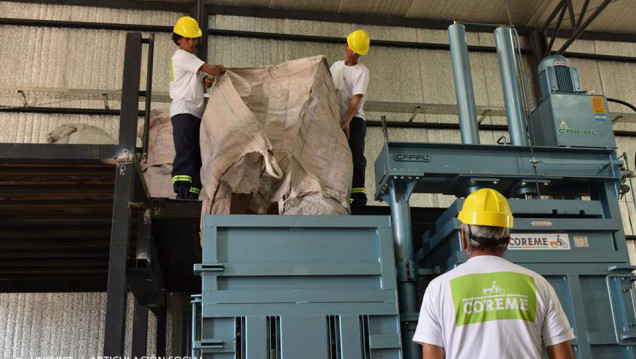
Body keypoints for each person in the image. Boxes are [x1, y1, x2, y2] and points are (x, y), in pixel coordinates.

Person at [413, 188, 575, 359]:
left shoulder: (438, 288)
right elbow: (562, 355)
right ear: (507, 239)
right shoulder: (538, 284)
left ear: (463, 238)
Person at [170, 16, 226, 200]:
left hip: (194, 112)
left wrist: (206, 83)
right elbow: (211, 69)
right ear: (178, 39)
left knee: (196, 155)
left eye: (194, 38)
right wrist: (220, 70)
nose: (192, 42)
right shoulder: (182, 56)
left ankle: (192, 193)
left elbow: (197, 84)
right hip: (184, 110)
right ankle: (183, 192)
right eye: (188, 38)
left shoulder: (191, 58)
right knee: (186, 151)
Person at [330, 30, 371, 207]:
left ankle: (358, 196)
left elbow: (356, 98)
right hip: (334, 119)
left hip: (354, 120)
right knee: (333, 156)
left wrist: (347, 121)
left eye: (357, 51)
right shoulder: (335, 66)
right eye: (352, 49)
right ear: (345, 46)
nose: (354, 53)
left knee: (356, 155)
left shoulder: (362, 72)